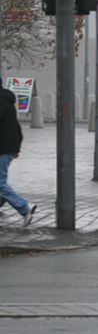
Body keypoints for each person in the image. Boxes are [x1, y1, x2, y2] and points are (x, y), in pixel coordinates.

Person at [0, 82, 37, 227]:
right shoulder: (6, 101)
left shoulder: (1, 101)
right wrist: (16, 148)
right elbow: (16, 126)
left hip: (2, 148)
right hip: (8, 147)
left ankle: (24, 206)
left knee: (0, 183)